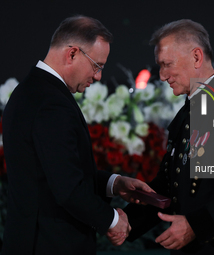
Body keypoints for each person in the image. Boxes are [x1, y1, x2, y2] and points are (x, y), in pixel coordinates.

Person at [1, 15, 153, 255]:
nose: (99, 76)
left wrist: (115, 184)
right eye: (97, 66)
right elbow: (68, 187)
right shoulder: (51, 102)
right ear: (72, 53)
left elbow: (53, 173)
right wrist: (113, 221)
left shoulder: (32, 91)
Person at [123, 19, 214, 254]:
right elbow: (170, 187)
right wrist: (122, 223)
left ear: (196, 57)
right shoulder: (189, 110)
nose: (162, 75)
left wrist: (196, 226)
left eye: (167, 64)